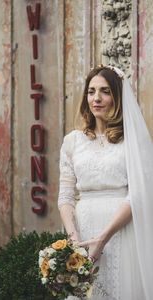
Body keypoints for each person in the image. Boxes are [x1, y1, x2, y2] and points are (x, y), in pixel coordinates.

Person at [58, 65, 153, 300]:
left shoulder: (132, 142)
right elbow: (66, 196)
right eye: (91, 91)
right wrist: (74, 239)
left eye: (105, 91)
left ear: (117, 97)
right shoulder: (72, 141)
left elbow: (139, 194)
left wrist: (104, 237)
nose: (96, 98)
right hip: (82, 232)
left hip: (121, 232)